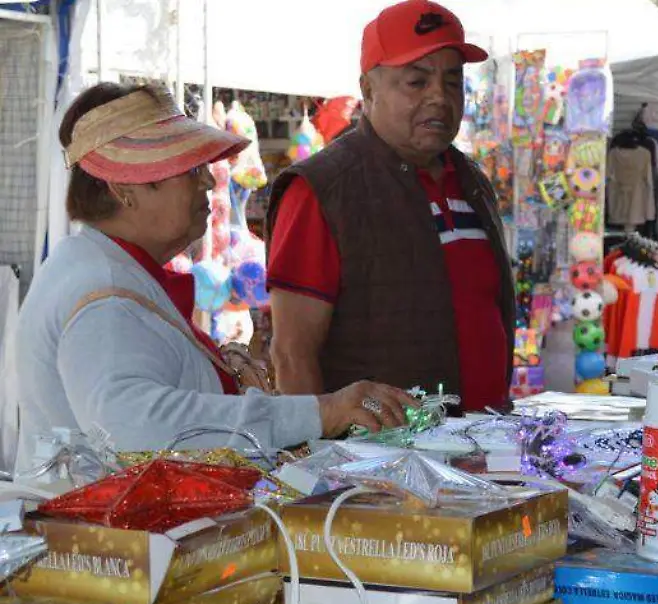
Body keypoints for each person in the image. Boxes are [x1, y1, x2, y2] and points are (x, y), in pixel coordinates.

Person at [15, 83, 414, 471]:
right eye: (190, 169)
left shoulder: (98, 266)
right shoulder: (102, 290)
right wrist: (322, 412)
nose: (208, 181)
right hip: (112, 535)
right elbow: (131, 424)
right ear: (125, 188)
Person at [266, 0, 514, 413]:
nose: (440, 97)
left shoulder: (471, 181)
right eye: (417, 82)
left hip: (485, 448)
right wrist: (316, 458)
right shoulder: (323, 189)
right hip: (377, 465)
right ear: (368, 90)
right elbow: (291, 354)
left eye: (453, 81)